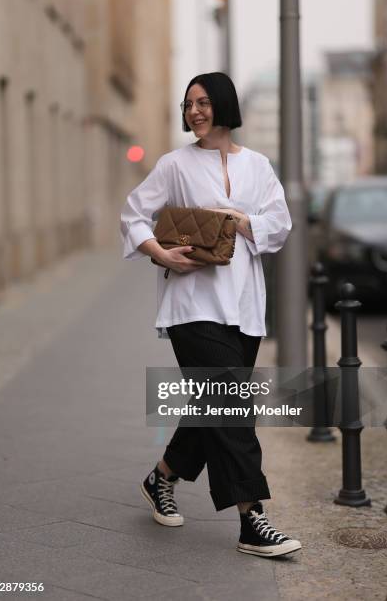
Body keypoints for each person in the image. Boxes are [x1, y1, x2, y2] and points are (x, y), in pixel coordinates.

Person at [120, 72, 301, 558]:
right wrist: (161, 253)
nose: (194, 112)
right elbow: (134, 215)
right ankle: (252, 520)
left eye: (202, 102)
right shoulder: (174, 164)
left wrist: (245, 221)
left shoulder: (259, 166)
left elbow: (280, 224)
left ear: (223, 105)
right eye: (187, 105)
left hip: (244, 305)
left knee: (214, 405)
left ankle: (161, 478)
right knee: (233, 408)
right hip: (193, 304)